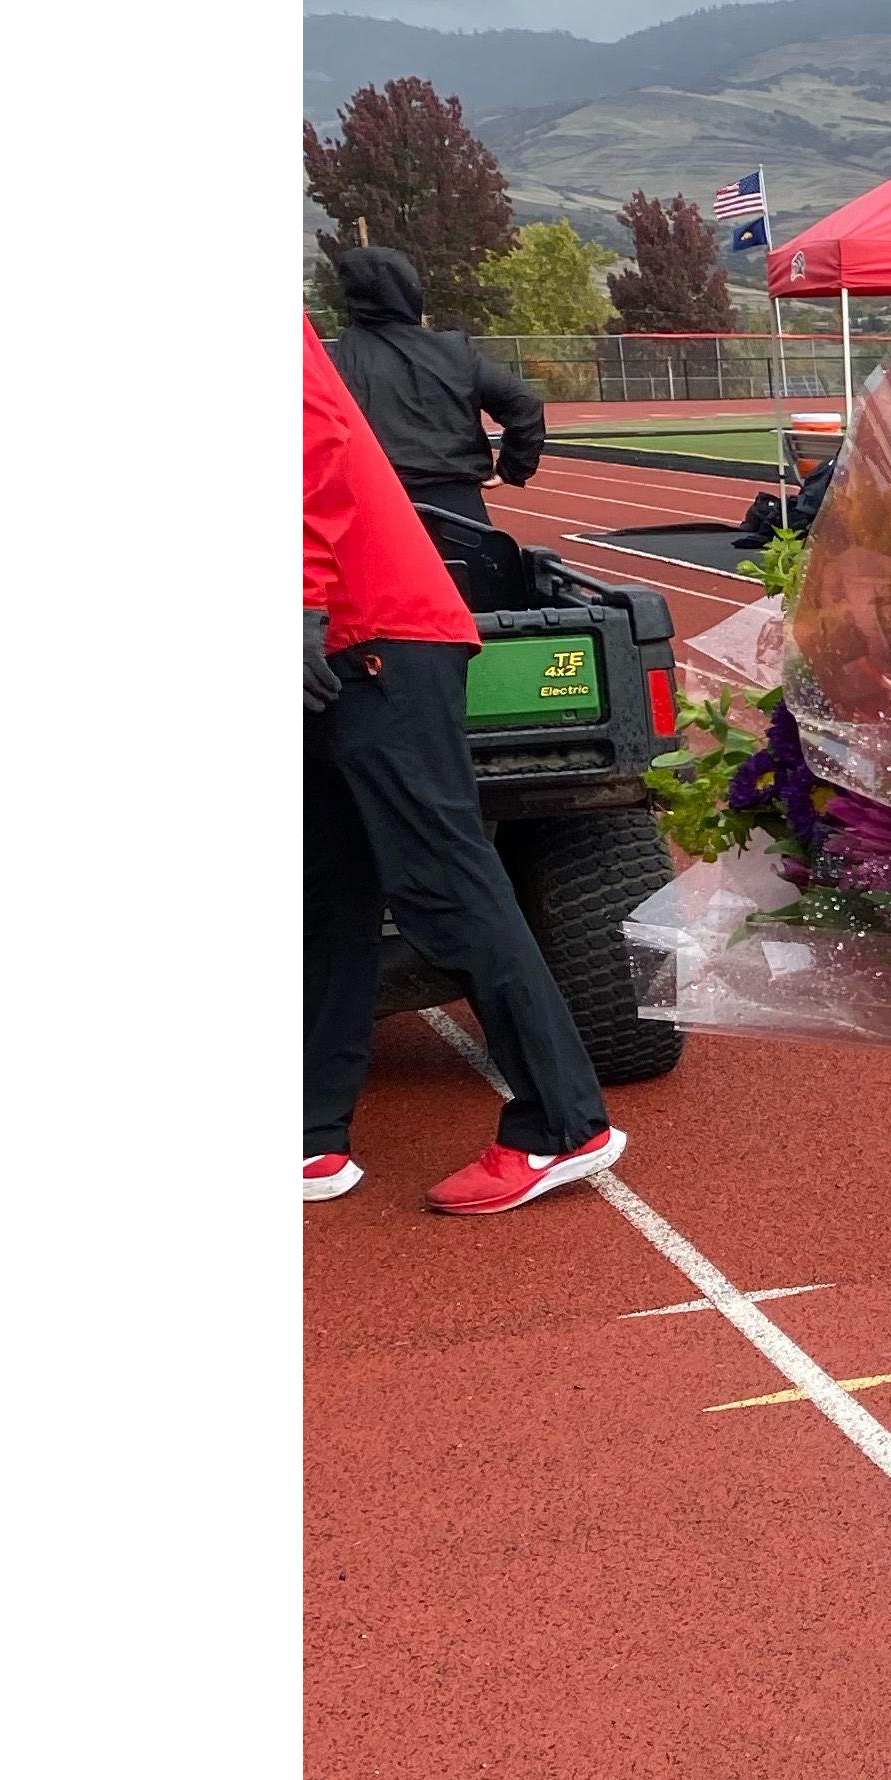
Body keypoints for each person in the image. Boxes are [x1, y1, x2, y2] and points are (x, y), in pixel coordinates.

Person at [303, 319, 627, 1210]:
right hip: (349, 628)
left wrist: (300, 603)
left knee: (442, 879)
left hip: (372, 632)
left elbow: (308, 442)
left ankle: (564, 1125)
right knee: (328, 889)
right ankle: (310, 1134)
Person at [327, 239, 550, 544]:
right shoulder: (455, 350)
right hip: (458, 513)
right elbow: (524, 404)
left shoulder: (333, 360)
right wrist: (511, 469)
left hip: (371, 509)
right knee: (471, 588)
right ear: (411, 290)